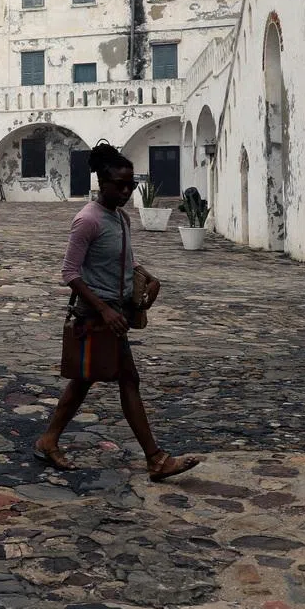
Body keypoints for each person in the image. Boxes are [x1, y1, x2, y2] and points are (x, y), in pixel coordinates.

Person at [34, 142, 200, 481]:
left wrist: (148, 276)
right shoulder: (87, 221)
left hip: (115, 314)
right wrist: (104, 311)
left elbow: (124, 258)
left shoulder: (120, 218)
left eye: (130, 185)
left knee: (86, 382)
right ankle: (155, 458)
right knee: (126, 380)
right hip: (98, 317)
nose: (125, 191)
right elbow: (70, 273)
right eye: (118, 185)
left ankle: (49, 439)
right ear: (101, 183)